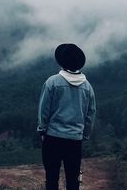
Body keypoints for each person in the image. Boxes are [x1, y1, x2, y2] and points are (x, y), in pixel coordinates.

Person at [37, 43, 96, 190]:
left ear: (61, 62)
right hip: (75, 140)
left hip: (52, 138)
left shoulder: (52, 82)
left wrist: (42, 130)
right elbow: (90, 114)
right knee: (73, 180)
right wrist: (84, 135)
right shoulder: (87, 87)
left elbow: (44, 110)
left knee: (51, 178)